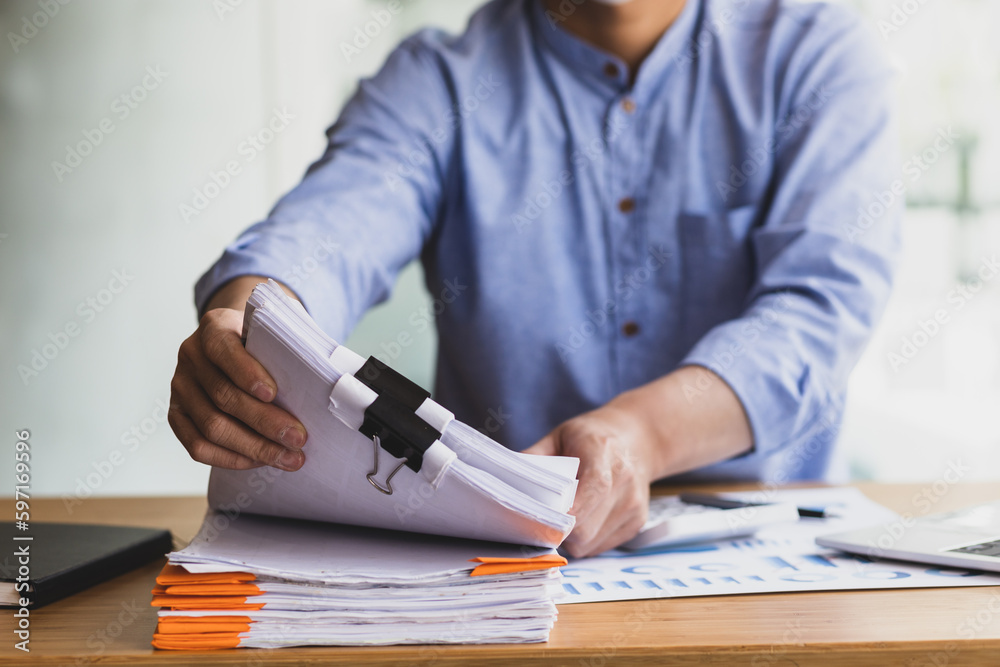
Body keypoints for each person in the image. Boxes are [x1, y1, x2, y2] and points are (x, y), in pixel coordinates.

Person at [168, 0, 900, 557]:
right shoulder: (440, 82)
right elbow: (328, 229)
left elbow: (818, 311)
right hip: (501, 568)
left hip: (772, 560)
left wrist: (642, 434)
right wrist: (247, 322)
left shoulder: (816, 55)